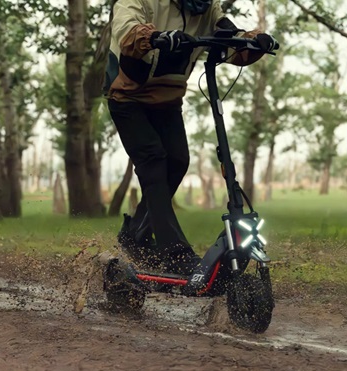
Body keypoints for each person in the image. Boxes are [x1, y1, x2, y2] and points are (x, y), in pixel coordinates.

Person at [105, 0, 277, 275]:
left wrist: (255, 42)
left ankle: (135, 237)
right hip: (128, 99)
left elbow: (229, 41)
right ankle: (174, 254)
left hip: (167, 101)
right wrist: (155, 37)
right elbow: (127, 32)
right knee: (152, 160)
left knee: (177, 161)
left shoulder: (206, 8)